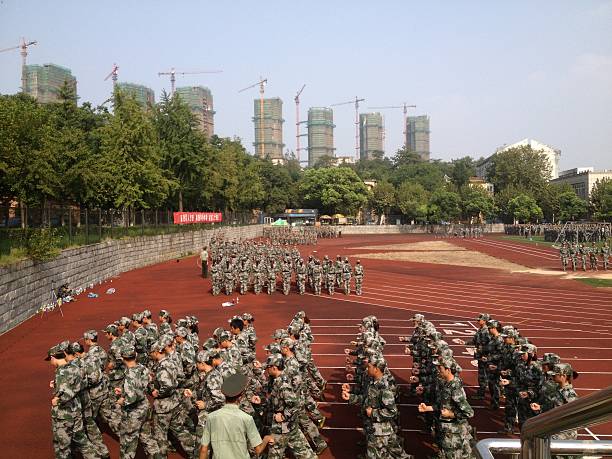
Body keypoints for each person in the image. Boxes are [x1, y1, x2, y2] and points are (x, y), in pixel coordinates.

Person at [199, 372, 274, 459]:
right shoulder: (247, 418)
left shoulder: (211, 417)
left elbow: (204, 449)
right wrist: (267, 438)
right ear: (241, 397)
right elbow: (258, 449)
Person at [46, 342, 100, 459]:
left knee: (62, 447)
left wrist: (57, 400)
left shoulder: (61, 372)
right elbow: (77, 385)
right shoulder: (74, 366)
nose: (50, 363)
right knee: (82, 440)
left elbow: (65, 394)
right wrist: (56, 384)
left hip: (64, 414)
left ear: (53, 357)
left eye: (50, 360)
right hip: (76, 409)